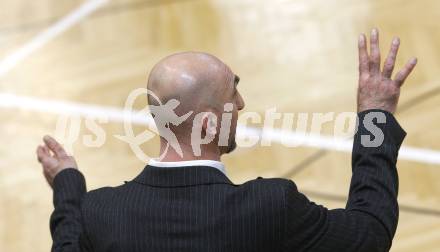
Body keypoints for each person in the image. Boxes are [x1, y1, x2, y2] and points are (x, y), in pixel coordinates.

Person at [37, 28, 417, 252]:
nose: (242, 103)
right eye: (232, 94)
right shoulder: (270, 207)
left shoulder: (99, 214)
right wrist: (376, 116)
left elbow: (68, 241)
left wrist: (69, 186)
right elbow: (368, 233)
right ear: (208, 123)